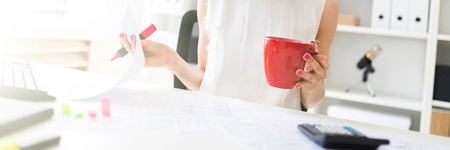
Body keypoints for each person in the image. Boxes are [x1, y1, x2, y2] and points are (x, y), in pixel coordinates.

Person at [119, 0, 339, 110]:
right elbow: (206, 78)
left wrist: (311, 84)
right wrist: (170, 59)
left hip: (275, 131)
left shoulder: (325, 4)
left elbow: (310, 100)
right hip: (211, 121)